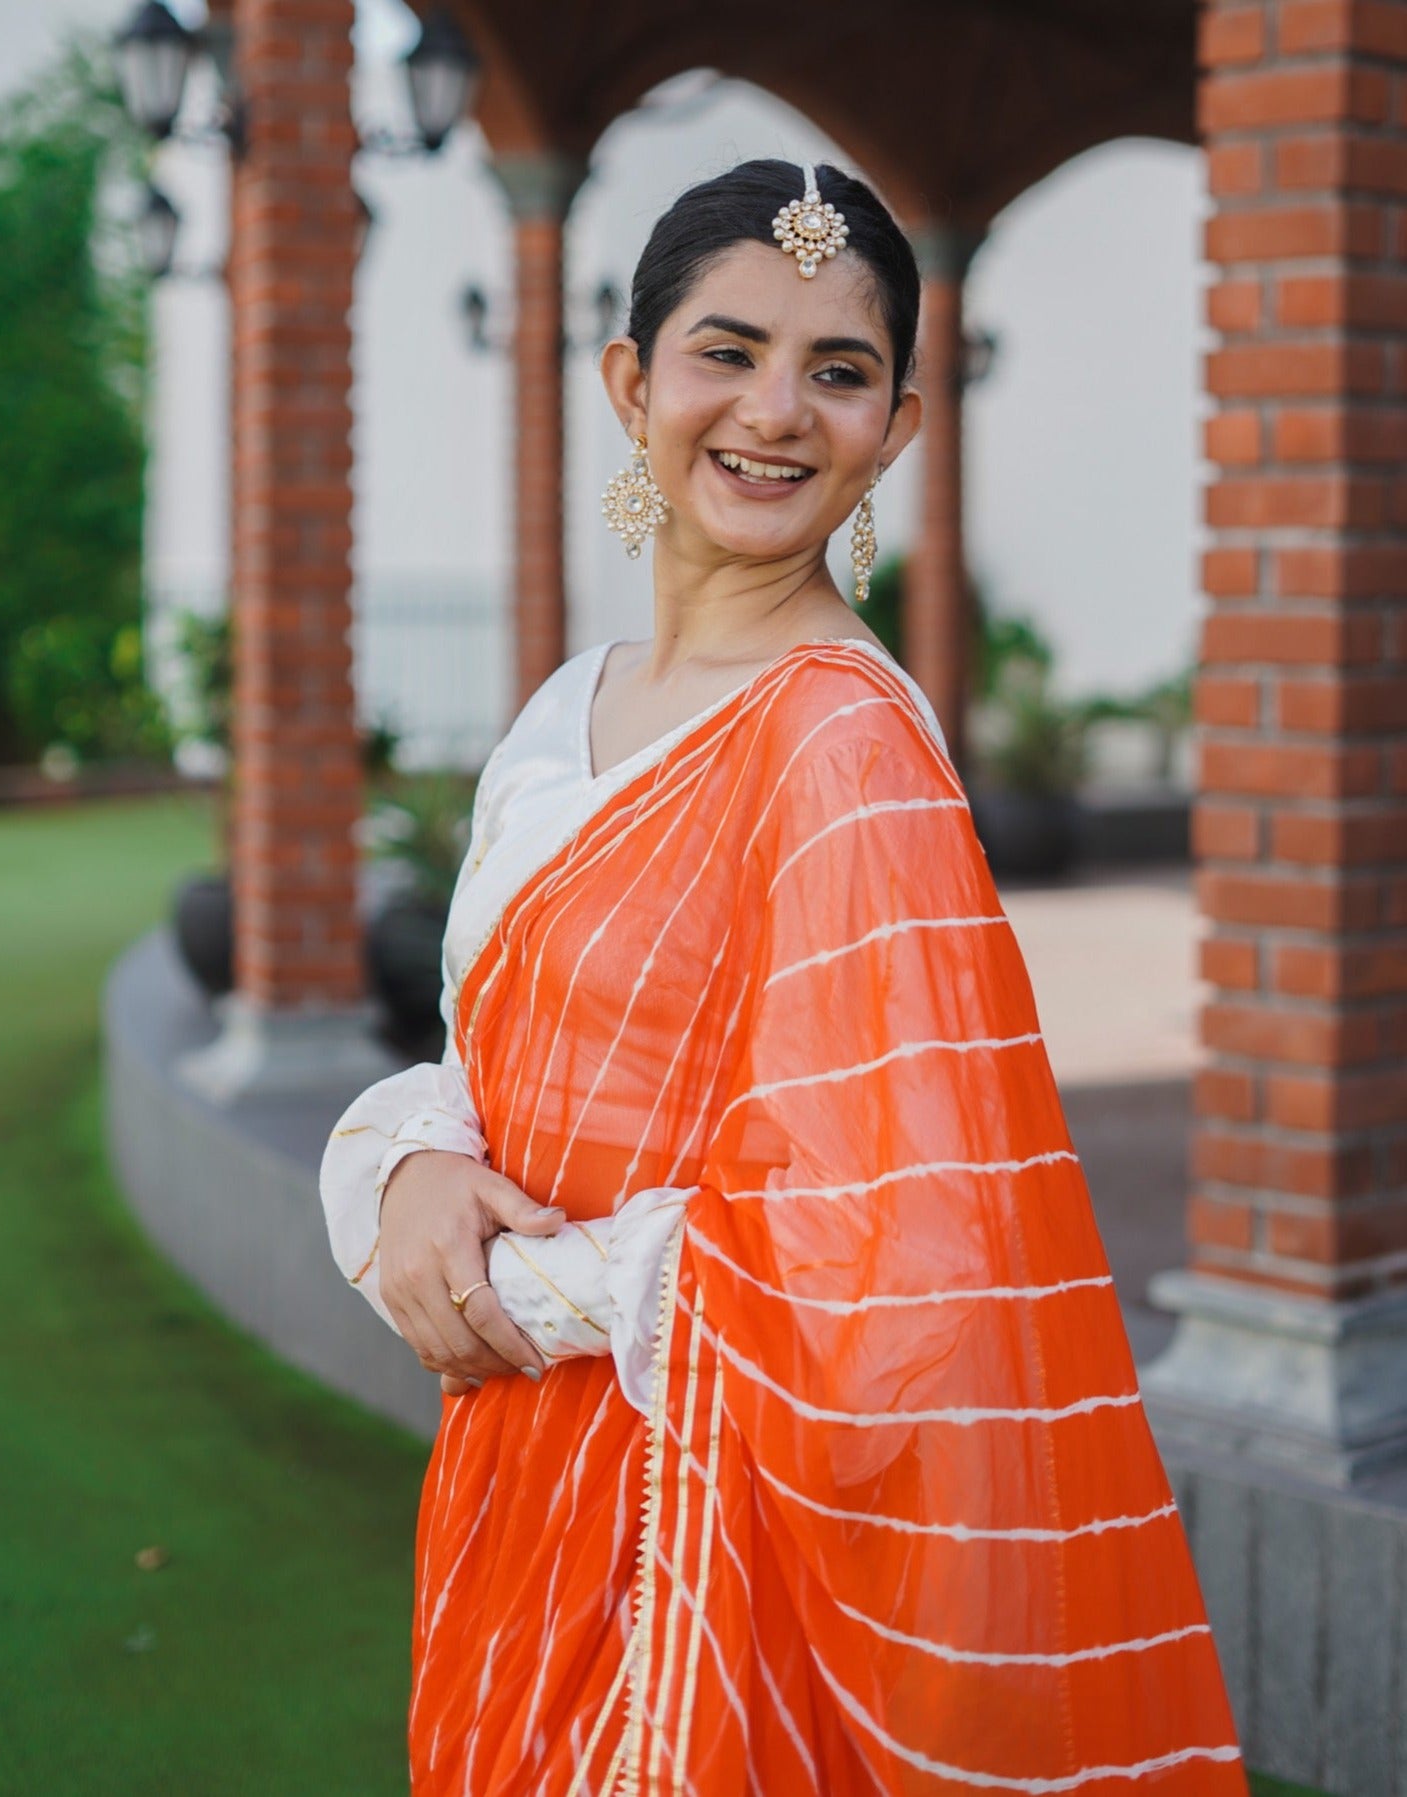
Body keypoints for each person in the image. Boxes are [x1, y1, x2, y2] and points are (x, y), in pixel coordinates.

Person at [320, 159, 1246, 1795]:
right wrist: (404, 1168)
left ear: (896, 426)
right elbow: (484, 1046)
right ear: (630, 382)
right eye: (726, 350)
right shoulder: (565, 708)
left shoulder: (844, 742)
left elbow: (888, 1258)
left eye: (840, 370)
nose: (776, 411)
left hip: (708, 1534)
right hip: (510, 1479)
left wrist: (500, 1291)